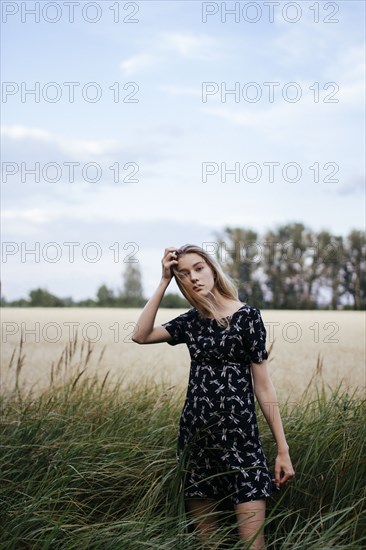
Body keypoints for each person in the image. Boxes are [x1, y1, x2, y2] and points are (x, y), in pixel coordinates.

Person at [132, 244, 295, 548]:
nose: (192, 277)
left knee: (253, 545)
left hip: (241, 443)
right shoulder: (191, 321)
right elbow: (140, 335)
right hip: (197, 442)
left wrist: (282, 450)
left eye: (198, 268)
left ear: (212, 269)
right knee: (208, 544)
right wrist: (163, 280)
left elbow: (263, 386)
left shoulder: (248, 318)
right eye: (183, 274)